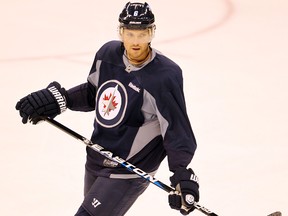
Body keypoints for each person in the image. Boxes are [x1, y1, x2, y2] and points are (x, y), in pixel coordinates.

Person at [15, 2, 200, 216]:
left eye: (142, 34)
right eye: (130, 34)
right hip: (96, 156)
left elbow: (177, 129)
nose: (136, 42)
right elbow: (94, 94)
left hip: (129, 168)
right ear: (121, 32)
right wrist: (61, 98)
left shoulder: (164, 75)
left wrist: (181, 173)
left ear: (152, 33)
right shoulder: (107, 54)